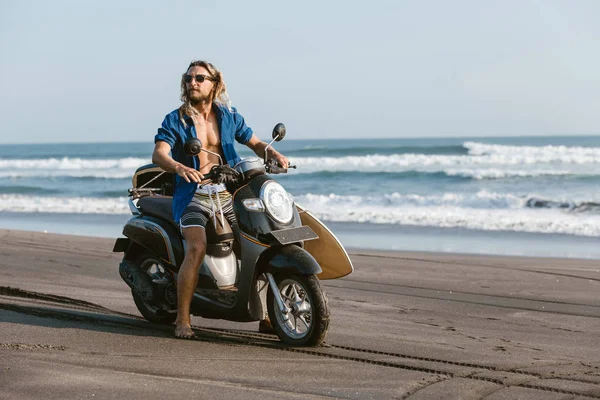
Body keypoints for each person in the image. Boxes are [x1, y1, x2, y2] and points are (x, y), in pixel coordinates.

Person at [152, 60, 289, 339]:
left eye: (200, 78)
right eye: (188, 78)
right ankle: (183, 320)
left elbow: (255, 143)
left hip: (229, 192)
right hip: (194, 195)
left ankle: (264, 313)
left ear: (215, 83)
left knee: (259, 239)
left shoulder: (228, 116)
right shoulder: (175, 119)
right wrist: (179, 167)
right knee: (197, 247)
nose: (193, 83)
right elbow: (160, 153)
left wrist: (272, 154)